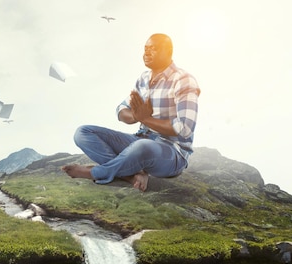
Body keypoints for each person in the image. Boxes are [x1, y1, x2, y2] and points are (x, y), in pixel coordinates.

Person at [62, 33, 200, 191]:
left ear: (168, 52)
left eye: (153, 49)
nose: (147, 53)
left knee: (142, 146)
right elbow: (121, 110)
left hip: (172, 152)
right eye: (145, 48)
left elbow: (184, 129)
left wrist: (146, 119)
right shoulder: (144, 78)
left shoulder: (183, 80)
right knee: (83, 133)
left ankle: (96, 172)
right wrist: (136, 116)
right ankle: (131, 175)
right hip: (140, 139)